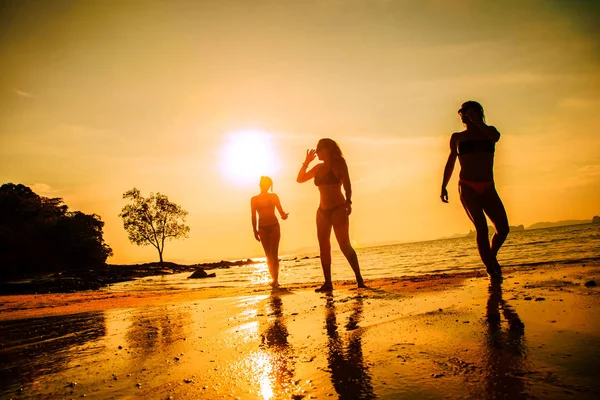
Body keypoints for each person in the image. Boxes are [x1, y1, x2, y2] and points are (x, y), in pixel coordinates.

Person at [441, 100, 510, 281]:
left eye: (468, 112)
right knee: (481, 227)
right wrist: (443, 185)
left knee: (503, 228)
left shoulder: (490, 132)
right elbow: (450, 162)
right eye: (463, 113)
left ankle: (491, 256)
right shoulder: (457, 137)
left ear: (478, 113)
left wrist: (478, 123)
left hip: (488, 185)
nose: (464, 116)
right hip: (467, 185)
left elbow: (495, 137)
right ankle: (491, 269)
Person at [296, 138, 366, 292]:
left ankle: (359, 280)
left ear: (328, 149)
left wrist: (348, 201)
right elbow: (300, 179)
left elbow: (347, 184)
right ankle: (328, 283)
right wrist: (306, 162)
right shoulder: (318, 168)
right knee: (323, 247)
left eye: (320, 149)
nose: (317, 152)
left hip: (338, 208)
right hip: (322, 211)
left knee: (344, 245)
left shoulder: (339, 164)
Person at [251, 176, 289, 288]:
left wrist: (284, 216)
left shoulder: (274, 196)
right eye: (263, 184)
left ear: (269, 185)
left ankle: (275, 280)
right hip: (262, 227)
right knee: (268, 255)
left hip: (274, 226)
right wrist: (254, 230)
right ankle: (273, 278)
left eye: (267, 184)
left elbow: (281, 211)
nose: (265, 186)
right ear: (260, 184)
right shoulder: (254, 199)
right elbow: (253, 215)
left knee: (274, 253)